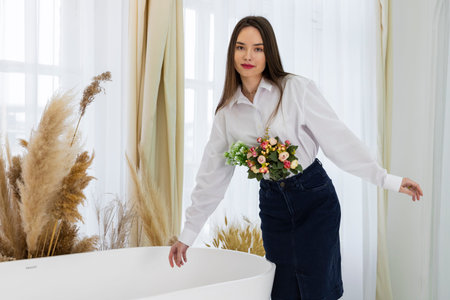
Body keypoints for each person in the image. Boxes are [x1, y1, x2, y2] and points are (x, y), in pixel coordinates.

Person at [168, 16, 423, 300]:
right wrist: (188, 234)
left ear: (269, 53)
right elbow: (211, 175)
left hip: (315, 201)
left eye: (258, 48)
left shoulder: (295, 90)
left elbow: (338, 140)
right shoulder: (227, 113)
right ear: (232, 53)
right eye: (241, 47)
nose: (248, 56)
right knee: (282, 291)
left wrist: (387, 179)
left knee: (318, 292)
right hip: (274, 207)